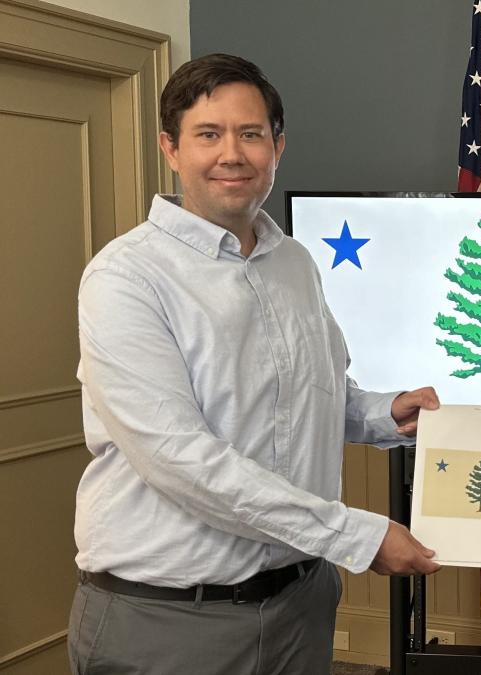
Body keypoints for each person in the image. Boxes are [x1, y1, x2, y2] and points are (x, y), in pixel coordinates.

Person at [67, 53, 440, 675]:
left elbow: (312, 393)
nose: (231, 153)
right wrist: (358, 537)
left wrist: (384, 413)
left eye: (251, 134)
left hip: (300, 605)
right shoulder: (126, 278)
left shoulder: (293, 262)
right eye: (208, 134)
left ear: (278, 145)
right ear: (170, 147)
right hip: (172, 623)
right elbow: (179, 458)